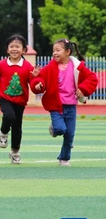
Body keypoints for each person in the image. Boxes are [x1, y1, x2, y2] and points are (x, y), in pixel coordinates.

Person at [30, 38, 98, 166]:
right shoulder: (50, 67)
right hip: (56, 105)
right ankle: (55, 129)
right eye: (53, 51)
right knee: (61, 129)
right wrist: (37, 84)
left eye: (58, 50)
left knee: (70, 135)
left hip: (71, 106)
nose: (54, 53)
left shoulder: (78, 67)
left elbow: (92, 79)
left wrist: (83, 89)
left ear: (67, 52)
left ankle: (64, 158)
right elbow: (39, 80)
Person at [0, 34, 39, 164]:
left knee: (17, 127)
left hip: (20, 101)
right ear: (7, 49)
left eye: (18, 47)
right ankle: (3, 132)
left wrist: (37, 82)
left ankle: (15, 152)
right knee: (9, 116)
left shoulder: (28, 67)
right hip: (4, 97)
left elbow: (33, 84)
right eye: (12, 46)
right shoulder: (1, 64)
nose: (14, 49)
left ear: (24, 50)